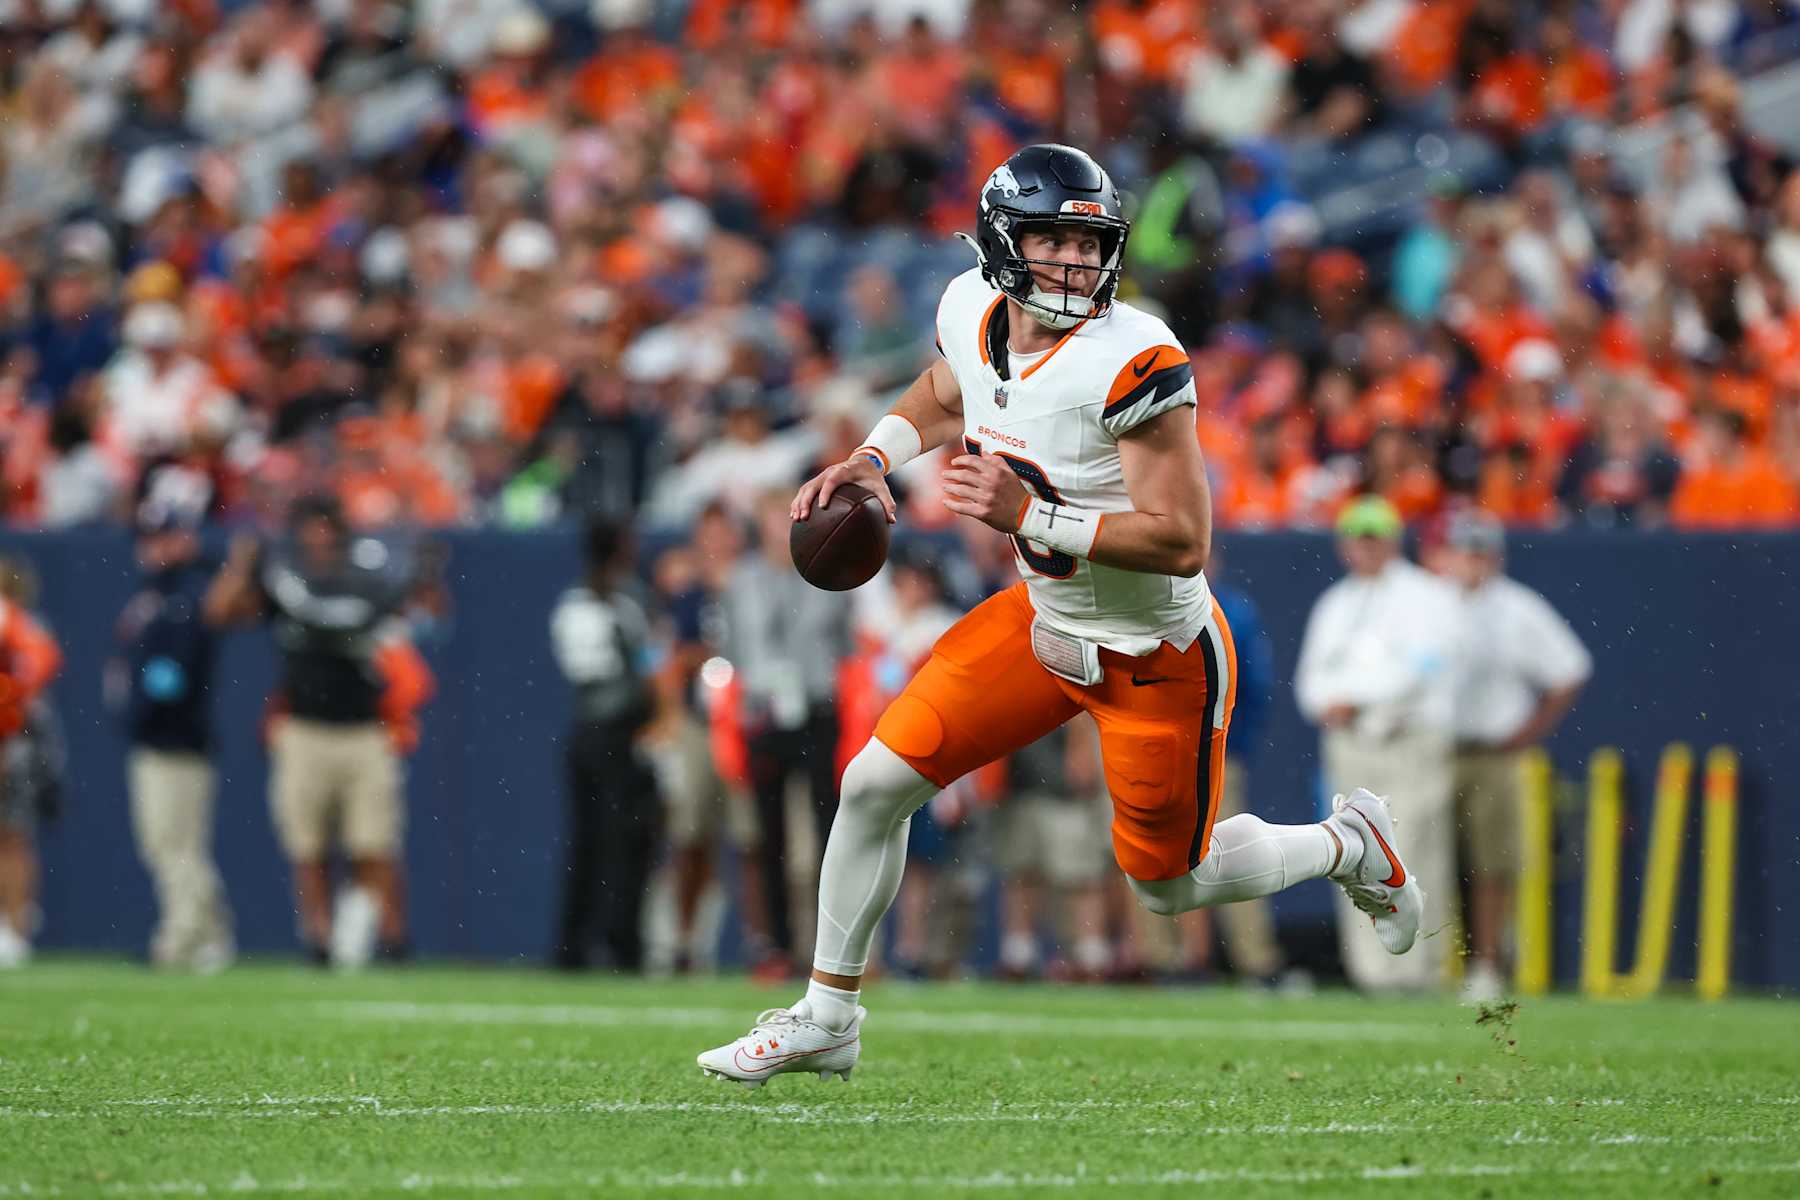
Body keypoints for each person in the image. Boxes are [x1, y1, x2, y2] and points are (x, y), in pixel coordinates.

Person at [698, 144, 1424, 1086]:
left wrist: (1028, 514)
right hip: (1042, 620)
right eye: (1052, 241)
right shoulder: (970, 307)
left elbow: (1181, 539)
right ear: (1003, 243)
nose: (1076, 265)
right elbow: (948, 388)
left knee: (1169, 887)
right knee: (874, 783)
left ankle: (1346, 845)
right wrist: (875, 457)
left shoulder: (1136, 355)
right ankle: (828, 1016)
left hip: (1153, 650)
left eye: (1089, 245)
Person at [203, 495, 417, 965]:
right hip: (303, 730)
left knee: (374, 843)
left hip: (365, 729)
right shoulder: (284, 584)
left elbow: (419, 617)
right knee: (309, 846)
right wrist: (241, 565)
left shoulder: (368, 581)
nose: (320, 541)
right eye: (312, 531)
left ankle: (389, 936)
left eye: (328, 530)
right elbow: (219, 614)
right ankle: (320, 939)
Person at [1295, 496, 1464, 993]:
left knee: (1413, 851)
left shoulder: (1427, 596)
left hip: (1408, 740)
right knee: (1354, 855)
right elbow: (1308, 681)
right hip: (1351, 745)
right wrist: (1333, 704)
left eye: (1374, 538)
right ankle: (1371, 973)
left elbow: (1425, 667)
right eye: (1356, 539)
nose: (1364, 549)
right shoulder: (1336, 603)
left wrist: (1353, 699)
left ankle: (1418, 969)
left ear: (1393, 541)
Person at [1437, 511, 1591, 1002]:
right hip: (1433, 749)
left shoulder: (1518, 608)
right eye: (1466, 550)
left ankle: (1485, 964)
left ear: (1496, 556)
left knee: (1490, 863)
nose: (1473, 561)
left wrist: (1527, 733)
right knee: (1426, 859)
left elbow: (1570, 670)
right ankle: (1428, 963)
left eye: (1481, 551)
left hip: (1492, 752)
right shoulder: (1431, 603)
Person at [719, 489, 853, 979]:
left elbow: (845, 647)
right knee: (767, 835)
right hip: (765, 713)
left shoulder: (829, 572)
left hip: (817, 709)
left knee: (826, 834)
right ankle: (773, 944)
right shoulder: (741, 580)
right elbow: (733, 650)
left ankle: (825, 948)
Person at [109, 464, 233, 970]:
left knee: (173, 845)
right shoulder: (159, 594)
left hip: (173, 738)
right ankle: (207, 936)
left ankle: (185, 939)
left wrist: (142, 710)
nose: (152, 545)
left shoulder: (184, 597)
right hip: (161, 736)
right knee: (173, 846)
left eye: (162, 535)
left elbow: (171, 675)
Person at [547, 518, 660, 970]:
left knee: (587, 842)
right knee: (622, 841)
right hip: (618, 733)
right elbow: (644, 665)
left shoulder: (572, 602)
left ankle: (574, 944)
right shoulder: (624, 600)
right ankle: (618, 944)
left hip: (586, 732)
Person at [0, 557, 63, 968]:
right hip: (17, 735)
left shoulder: (20, 626)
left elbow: (37, 671)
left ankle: (16, 926)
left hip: (16, 740)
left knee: (12, 834)